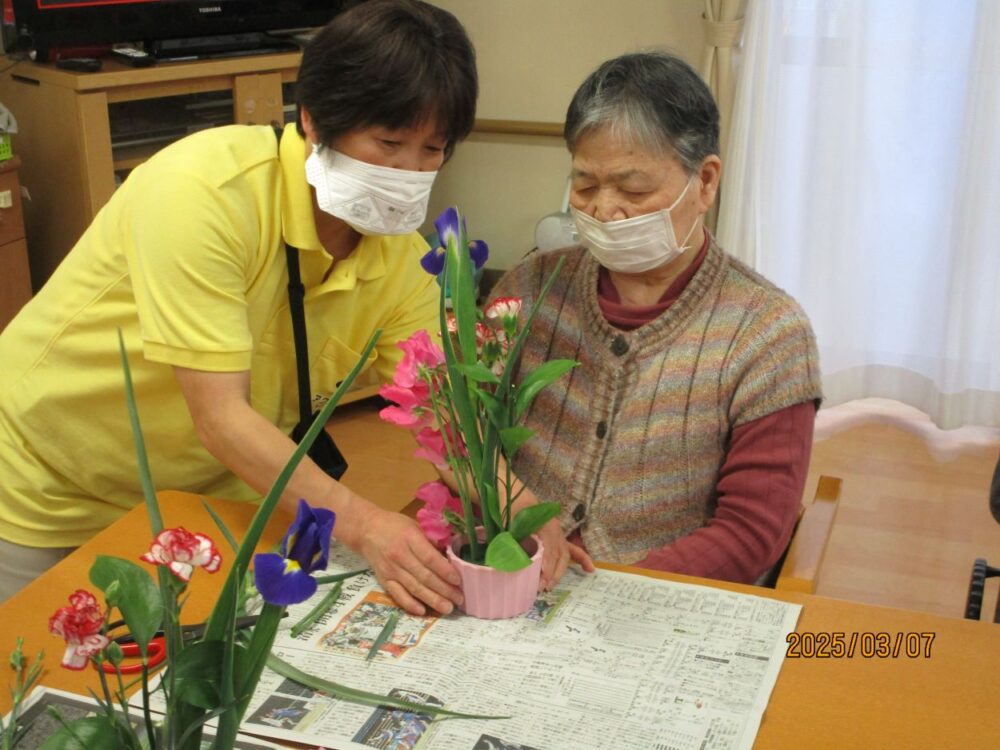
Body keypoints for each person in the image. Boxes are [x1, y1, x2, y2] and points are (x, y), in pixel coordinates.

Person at [0, 0, 477, 614]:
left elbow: (441, 406)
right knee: (44, 683)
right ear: (313, 119)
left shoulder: (403, 259)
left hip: (213, 487)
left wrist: (507, 500)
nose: (407, 172)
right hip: (51, 485)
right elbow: (221, 415)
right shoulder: (204, 193)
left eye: (432, 150)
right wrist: (363, 522)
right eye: (388, 142)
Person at [497, 52, 823, 585]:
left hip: (656, 600)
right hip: (511, 569)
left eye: (633, 189)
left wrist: (610, 590)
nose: (603, 209)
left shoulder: (768, 334)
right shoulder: (531, 289)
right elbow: (454, 427)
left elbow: (751, 531)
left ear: (706, 181)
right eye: (584, 184)